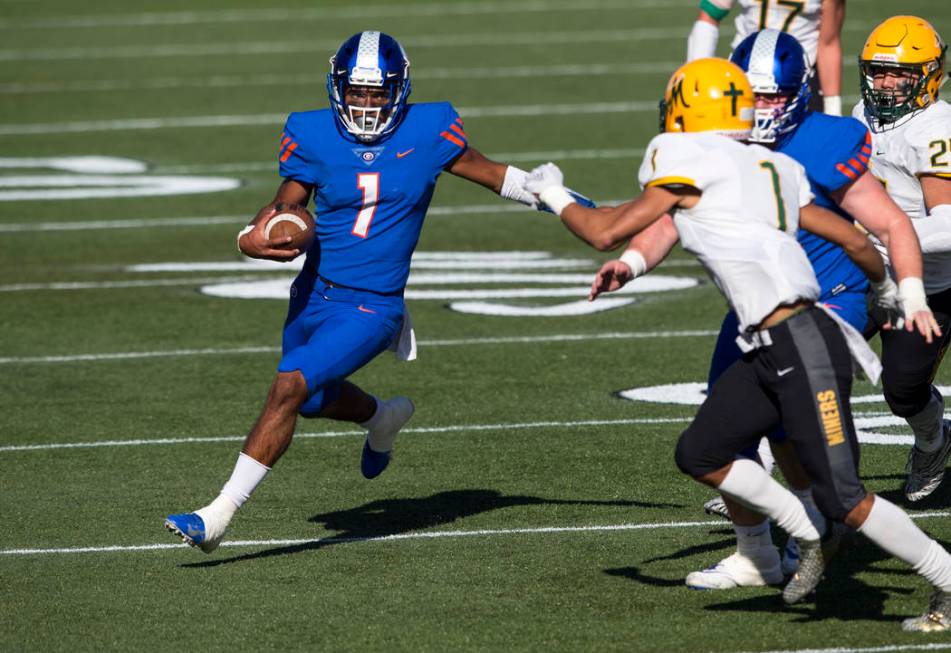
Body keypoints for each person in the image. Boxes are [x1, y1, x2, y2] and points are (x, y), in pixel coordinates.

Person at [523, 57, 951, 631]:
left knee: (846, 495)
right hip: (769, 342)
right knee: (701, 451)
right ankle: (808, 531)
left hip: (804, 343)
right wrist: (890, 286)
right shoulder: (767, 165)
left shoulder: (685, 158)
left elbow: (602, 229)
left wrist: (552, 193)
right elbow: (852, 235)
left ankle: (943, 576)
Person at [163, 30, 589, 554]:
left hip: (373, 305)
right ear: (337, 87)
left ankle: (218, 514)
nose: (366, 104)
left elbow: (497, 175)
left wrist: (579, 207)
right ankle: (381, 418)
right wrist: (252, 236)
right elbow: (283, 205)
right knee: (313, 400)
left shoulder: (431, 128)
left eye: (376, 92)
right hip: (313, 294)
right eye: (357, 92)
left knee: (289, 386)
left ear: (399, 89)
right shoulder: (311, 132)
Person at [853, 15, 951, 506]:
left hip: (932, 282)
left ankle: (934, 442)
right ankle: (756, 470)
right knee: (799, 357)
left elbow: (950, 226)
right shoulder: (862, 115)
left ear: (929, 75)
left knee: (902, 392)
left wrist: (885, 237)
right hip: (867, 274)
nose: (886, 83)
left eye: (900, 74)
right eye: (878, 72)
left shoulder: (936, 130)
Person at [685, 0, 845, 115]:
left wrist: (832, 107)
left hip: (798, 80)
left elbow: (828, 43)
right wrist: (695, 81)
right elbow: (709, 17)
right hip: (745, 74)